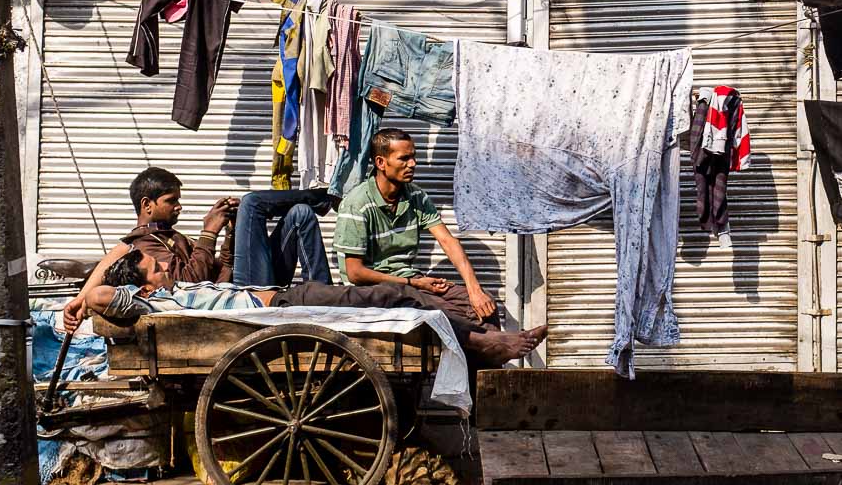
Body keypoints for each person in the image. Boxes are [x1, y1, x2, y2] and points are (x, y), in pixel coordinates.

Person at [88, 247, 546, 367]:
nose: (165, 268)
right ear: (141, 289)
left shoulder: (168, 294)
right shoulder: (156, 304)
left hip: (286, 298)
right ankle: (481, 340)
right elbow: (101, 297)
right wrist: (84, 293)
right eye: (154, 268)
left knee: (401, 298)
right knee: (392, 297)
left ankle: (476, 338)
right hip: (287, 308)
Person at [335, 127, 498, 330]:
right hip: (371, 290)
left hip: (409, 281)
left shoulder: (416, 196)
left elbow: (448, 241)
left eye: (413, 157)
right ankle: (494, 347)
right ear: (380, 163)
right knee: (444, 314)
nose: (413, 164)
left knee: (485, 304)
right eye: (404, 158)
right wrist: (412, 283)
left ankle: (493, 357)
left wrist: (475, 290)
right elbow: (355, 273)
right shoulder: (357, 203)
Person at [63, 167, 238, 332]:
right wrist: (209, 232)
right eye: (171, 200)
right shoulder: (145, 244)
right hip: (213, 316)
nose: (179, 206)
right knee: (254, 206)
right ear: (147, 204)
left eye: (178, 199)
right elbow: (189, 287)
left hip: (227, 296)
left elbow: (220, 268)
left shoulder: (168, 237)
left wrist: (230, 231)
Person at [230, 188, 335, 286]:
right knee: (251, 203)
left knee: (301, 212)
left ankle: (323, 294)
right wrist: (213, 232)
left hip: (266, 284)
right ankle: (323, 197)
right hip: (246, 295)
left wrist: (235, 227)